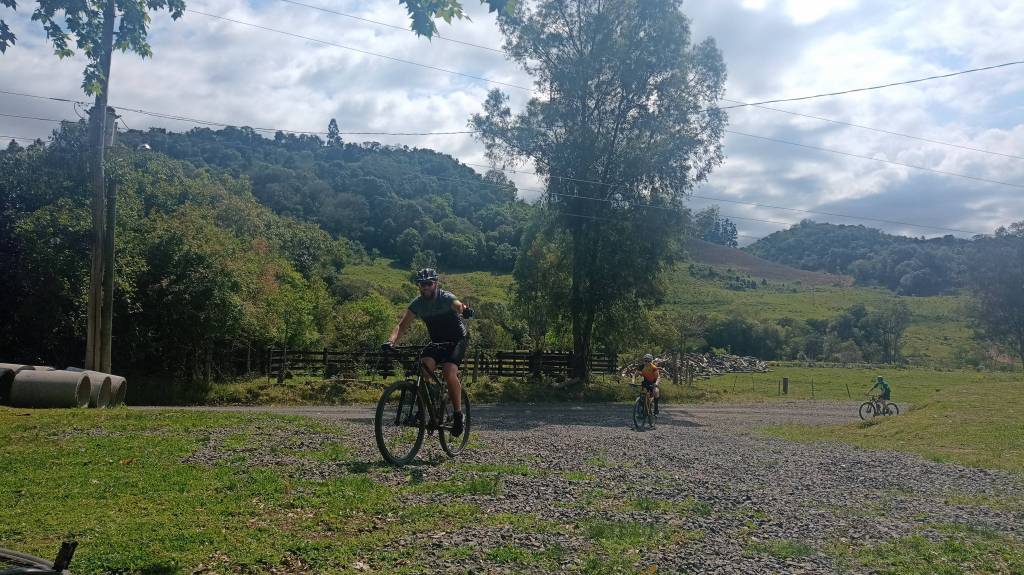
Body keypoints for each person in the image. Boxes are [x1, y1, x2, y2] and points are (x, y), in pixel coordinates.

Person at [383, 268, 474, 436]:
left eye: (428, 283)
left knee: (449, 372)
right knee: (424, 368)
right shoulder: (417, 304)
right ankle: (428, 407)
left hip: (457, 340)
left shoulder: (445, 297)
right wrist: (391, 341)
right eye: (421, 284)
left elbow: (458, 305)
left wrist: (464, 310)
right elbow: (402, 326)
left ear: (435, 284)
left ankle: (458, 415)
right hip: (437, 342)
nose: (425, 287)